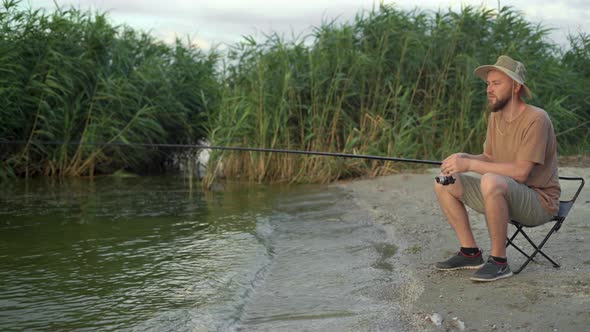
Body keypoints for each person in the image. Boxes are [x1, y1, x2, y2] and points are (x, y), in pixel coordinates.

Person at [433, 55, 561, 282]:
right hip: (504, 193)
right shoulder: (496, 117)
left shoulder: (536, 119)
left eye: (496, 83)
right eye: (488, 84)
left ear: (516, 87)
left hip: (539, 201)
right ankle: (470, 253)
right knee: (444, 181)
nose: (488, 90)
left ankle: (499, 262)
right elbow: (490, 158)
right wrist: (463, 158)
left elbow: (522, 172)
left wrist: (471, 164)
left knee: (491, 180)